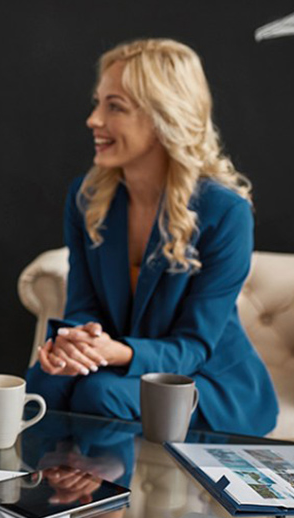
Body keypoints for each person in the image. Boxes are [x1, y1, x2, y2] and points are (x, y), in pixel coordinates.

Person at [26, 38, 278, 436]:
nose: (93, 119)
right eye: (98, 102)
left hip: (204, 380)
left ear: (164, 118)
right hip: (115, 365)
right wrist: (77, 342)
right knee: (43, 380)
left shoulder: (225, 212)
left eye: (115, 107)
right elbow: (82, 307)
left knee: (102, 393)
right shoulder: (86, 197)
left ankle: (105, 497)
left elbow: (195, 345)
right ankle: (51, 492)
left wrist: (118, 352)